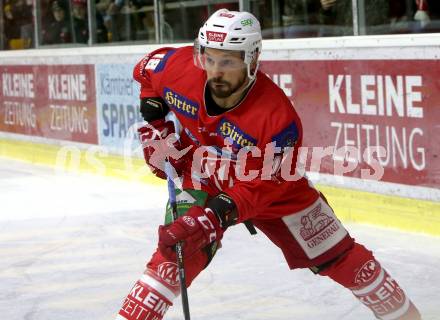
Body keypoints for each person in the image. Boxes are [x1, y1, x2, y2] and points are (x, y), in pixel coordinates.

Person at [115, 9, 422, 320]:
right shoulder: (179, 70)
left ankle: (407, 317)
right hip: (205, 173)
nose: (215, 72)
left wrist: (215, 215)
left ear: (252, 58)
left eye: (228, 61)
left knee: (344, 259)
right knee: (175, 254)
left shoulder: (276, 119)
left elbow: (264, 186)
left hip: (274, 192)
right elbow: (147, 68)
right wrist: (156, 120)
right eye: (209, 59)